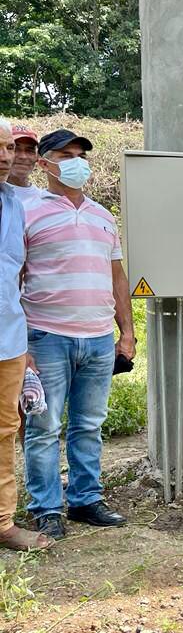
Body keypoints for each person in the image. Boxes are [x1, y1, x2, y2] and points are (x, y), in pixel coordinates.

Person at [22, 129, 136, 540]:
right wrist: (22, 344)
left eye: (80, 155)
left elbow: (117, 277)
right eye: (65, 154)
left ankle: (86, 499)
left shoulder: (103, 216)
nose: (76, 162)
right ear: (43, 163)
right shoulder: (27, 212)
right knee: (45, 427)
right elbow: (12, 278)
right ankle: (46, 508)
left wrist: (127, 331)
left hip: (98, 338)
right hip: (46, 336)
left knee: (89, 424)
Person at [0, 119, 51, 550]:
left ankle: (2, 524)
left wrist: (28, 343)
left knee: (6, 430)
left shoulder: (17, 206)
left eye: (10, 147)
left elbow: (21, 275)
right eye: (2, 147)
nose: (7, 155)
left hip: (10, 338)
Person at [7, 124, 42, 202]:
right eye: (15, 149)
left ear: (37, 157)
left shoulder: (44, 200)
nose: (23, 156)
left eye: (29, 150)